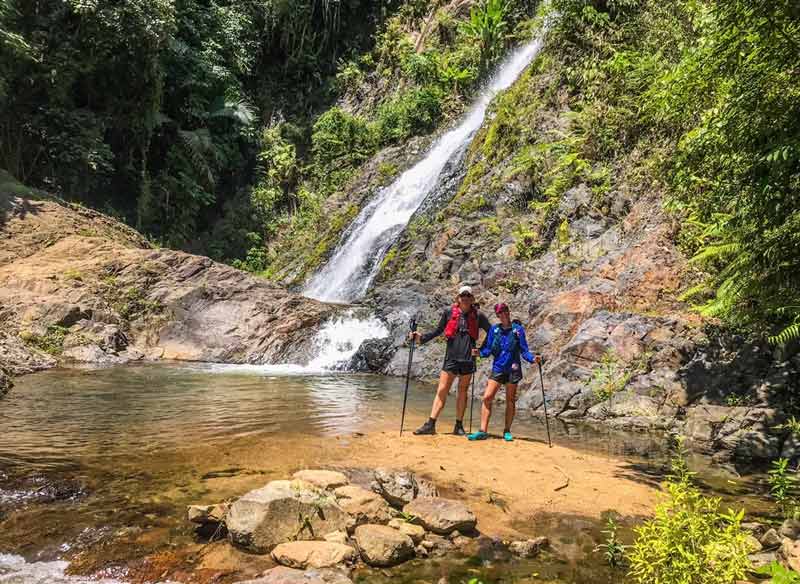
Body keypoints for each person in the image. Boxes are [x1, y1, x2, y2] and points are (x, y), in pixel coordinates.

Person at [410, 285, 491, 436]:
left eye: (468, 296)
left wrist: (482, 350)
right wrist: (421, 338)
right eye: (462, 296)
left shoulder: (479, 315)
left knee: (462, 391)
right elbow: (438, 330)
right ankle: (431, 424)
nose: (465, 298)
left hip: (468, 359)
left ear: (472, 299)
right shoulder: (448, 313)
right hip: (451, 357)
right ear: (458, 298)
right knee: (442, 390)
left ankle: (458, 426)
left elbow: (492, 332)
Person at [467, 303, 540, 442]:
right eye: (501, 312)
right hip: (498, 368)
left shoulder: (517, 330)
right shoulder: (494, 330)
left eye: (505, 310)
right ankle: (483, 431)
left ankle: (507, 430)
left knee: (510, 400)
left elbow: (524, 350)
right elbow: (488, 349)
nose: (504, 314)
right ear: (497, 315)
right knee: (487, 397)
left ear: (509, 311)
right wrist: (479, 353)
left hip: (513, 369)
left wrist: (533, 359)